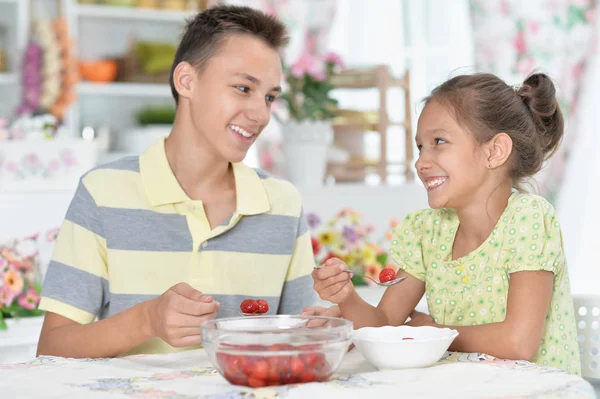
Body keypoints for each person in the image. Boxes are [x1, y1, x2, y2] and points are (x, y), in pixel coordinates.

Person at [37, 5, 316, 358]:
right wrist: (146, 321)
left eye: (270, 97)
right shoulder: (103, 192)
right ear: (186, 81)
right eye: (243, 88)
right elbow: (52, 347)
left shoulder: (282, 203)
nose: (261, 114)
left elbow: (304, 337)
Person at [305, 72, 581, 375]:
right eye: (420, 146)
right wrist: (347, 297)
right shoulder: (428, 231)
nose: (421, 162)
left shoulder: (528, 218)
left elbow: (518, 341)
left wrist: (436, 331)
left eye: (439, 141)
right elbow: (384, 323)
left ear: (494, 151)